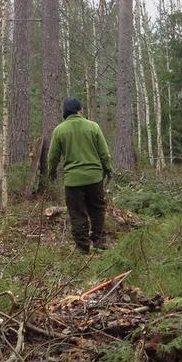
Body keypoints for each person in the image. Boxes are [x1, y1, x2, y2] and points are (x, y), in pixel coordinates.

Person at [47, 98, 112, 254]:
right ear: (79, 109)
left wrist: (52, 172)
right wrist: (108, 169)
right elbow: (104, 153)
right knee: (97, 209)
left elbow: (52, 156)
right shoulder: (93, 127)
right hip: (94, 177)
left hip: (73, 180)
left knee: (77, 212)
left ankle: (83, 246)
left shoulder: (60, 130)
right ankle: (99, 240)